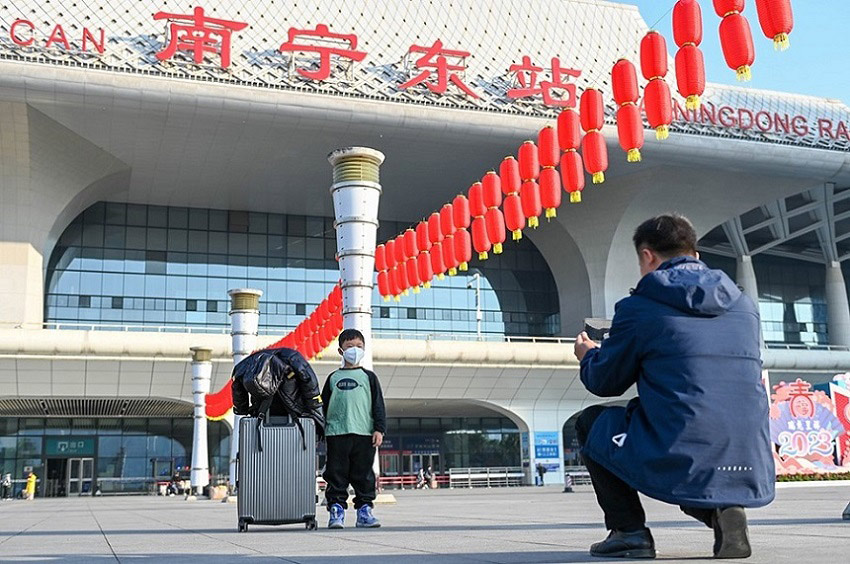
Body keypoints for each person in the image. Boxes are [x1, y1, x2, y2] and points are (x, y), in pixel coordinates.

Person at [573, 214, 774, 560]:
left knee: (592, 422)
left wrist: (589, 355)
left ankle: (629, 531)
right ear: (694, 253)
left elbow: (605, 382)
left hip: (684, 444)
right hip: (748, 451)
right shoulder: (744, 304)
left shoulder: (639, 307)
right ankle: (720, 513)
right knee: (677, 434)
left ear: (648, 256)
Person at [321, 329, 386, 529]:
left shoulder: (369, 377)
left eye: (359, 346)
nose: (354, 350)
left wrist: (379, 429)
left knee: (364, 474)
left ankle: (364, 511)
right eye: (350, 347)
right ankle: (336, 511)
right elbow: (323, 407)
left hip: (364, 434)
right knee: (335, 474)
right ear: (341, 351)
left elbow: (378, 405)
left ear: (364, 349)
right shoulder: (333, 378)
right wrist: (320, 430)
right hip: (336, 433)